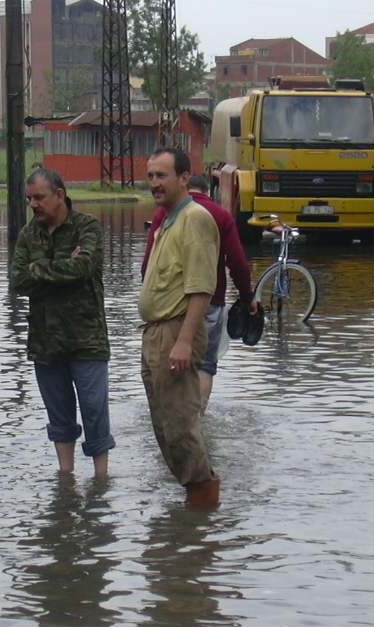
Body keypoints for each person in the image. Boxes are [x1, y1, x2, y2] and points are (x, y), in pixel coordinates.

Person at [10, 168, 115, 477]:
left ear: (59, 195)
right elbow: (17, 281)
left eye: (39, 197)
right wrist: (61, 268)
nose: (33, 204)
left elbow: (83, 268)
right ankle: (65, 480)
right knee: (59, 416)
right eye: (29, 199)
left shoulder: (87, 227)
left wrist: (38, 269)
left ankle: (101, 480)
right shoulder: (28, 234)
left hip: (86, 338)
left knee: (95, 412)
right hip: (45, 340)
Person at [140, 148, 221, 506]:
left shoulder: (194, 219)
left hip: (176, 332)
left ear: (185, 178)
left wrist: (184, 341)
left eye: (162, 175)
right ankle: (193, 505)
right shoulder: (168, 218)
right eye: (151, 176)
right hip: (157, 332)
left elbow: (202, 286)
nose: (155, 183)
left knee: (179, 427)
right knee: (164, 426)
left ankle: (203, 515)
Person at [142, 175, 258, 414]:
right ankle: (198, 418)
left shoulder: (165, 214)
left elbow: (148, 265)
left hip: (169, 308)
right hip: (210, 303)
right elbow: (238, 263)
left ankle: (173, 418)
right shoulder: (220, 215)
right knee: (205, 365)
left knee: (168, 364)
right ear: (208, 190)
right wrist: (247, 297)